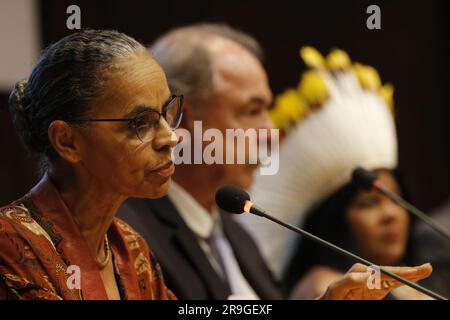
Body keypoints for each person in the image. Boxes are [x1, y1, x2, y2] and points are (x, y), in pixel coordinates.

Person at [118, 25, 432, 300]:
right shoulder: (128, 234)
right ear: (179, 119)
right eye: (252, 110)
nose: (271, 132)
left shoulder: (236, 236)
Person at [239, 47, 434, 299]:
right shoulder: (322, 289)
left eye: (396, 199)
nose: (390, 215)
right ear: (334, 220)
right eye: (369, 204)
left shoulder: (418, 287)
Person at [0, 30, 181, 300]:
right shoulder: (10, 246)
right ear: (68, 141)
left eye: (166, 112)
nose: (170, 137)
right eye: (140, 122)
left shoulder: (133, 249)